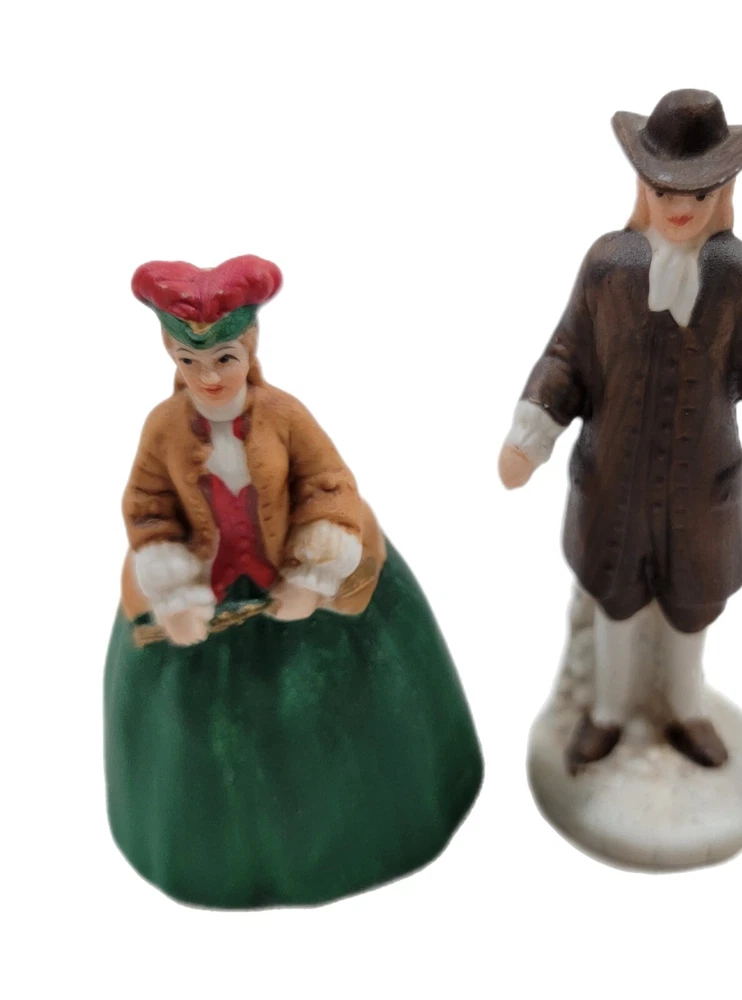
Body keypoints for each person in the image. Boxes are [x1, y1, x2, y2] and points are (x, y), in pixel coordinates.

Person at [499, 90, 742, 776]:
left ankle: (685, 707)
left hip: (699, 490)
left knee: (692, 607)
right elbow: (568, 358)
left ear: (725, 190)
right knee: (617, 604)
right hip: (614, 482)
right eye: (664, 189)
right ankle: (608, 711)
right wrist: (530, 436)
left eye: (699, 192)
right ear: (642, 186)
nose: (680, 207)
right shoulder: (608, 265)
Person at [106, 254, 482, 908]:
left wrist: (315, 570)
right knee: (206, 740)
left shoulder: (284, 416)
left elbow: (329, 484)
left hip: (299, 591)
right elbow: (146, 504)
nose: (209, 377)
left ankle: (370, 828)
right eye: (190, 361)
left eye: (223, 358)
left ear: (248, 350)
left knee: (330, 725)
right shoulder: (162, 430)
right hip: (206, 598)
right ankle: (209, 854)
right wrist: (171, 584)